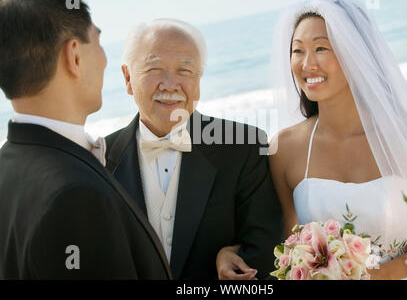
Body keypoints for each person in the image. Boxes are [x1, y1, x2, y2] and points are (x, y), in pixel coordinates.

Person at [268, 0, 407, 280]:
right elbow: (282, 246)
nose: (307, 64)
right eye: (298, 50)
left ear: (355, 52)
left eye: (321, 48)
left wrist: (369, 276)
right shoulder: (284, 149)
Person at [0, 0, 171, 279]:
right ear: (75, 56)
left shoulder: (7, 169)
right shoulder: (73, 196)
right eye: (99, 42)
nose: (105, 59)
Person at [104, 18, 284, 280]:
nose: (170, 84)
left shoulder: (244, 146)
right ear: (128, 77)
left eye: (185, 71)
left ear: (199, 78)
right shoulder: (97, 159)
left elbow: (266, 251)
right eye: (154, 69)